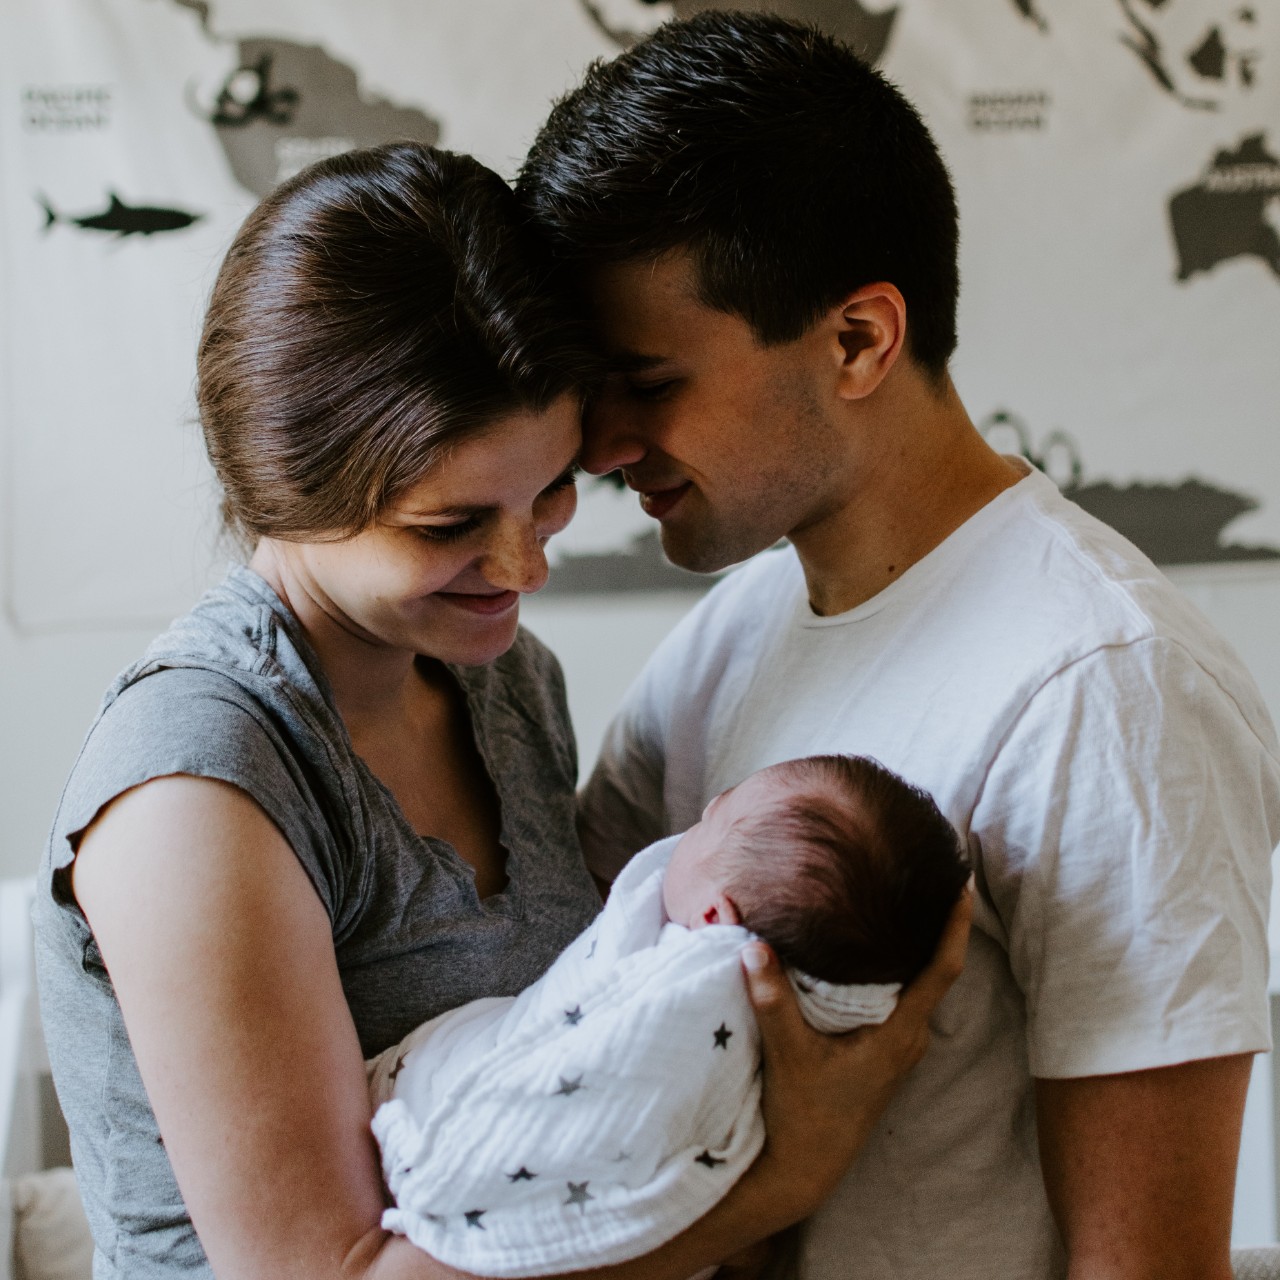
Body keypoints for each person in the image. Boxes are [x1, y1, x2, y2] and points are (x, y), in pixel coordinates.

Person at [31, 141, 969, 1280]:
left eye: (554, 488)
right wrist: (780, 1178)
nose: (521, 566)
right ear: (282, 485)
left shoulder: (505, 682)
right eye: (450, 525)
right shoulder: (199, 784)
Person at [517, 12, 1280, 1280]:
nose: (597, 447)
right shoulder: (728, 636)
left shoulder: (1106, 688)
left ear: (860, 339)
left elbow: (1142, 1264)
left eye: (647, 385)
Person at [367, 754, 969, 1278]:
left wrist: (784, 1187)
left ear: (713, 917)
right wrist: (775, 1193)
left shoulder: (690, 996)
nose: (702, 811)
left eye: (713, 823)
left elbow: (594, 1080)